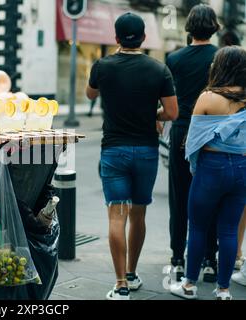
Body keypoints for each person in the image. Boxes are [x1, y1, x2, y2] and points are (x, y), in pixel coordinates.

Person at [86, 13, 178, 300]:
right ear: (144, 38)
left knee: (117, 215)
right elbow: (172, 113)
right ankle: (132, 274)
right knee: (139, 213)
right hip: (147, 152)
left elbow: (90, 95)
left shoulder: (103, 66)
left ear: (115, 38)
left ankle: (120, 285)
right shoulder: (159, 69)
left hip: (114, 149)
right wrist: (154, 115)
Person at [170, 46, 246, 300]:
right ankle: (223, 290)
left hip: (211, 167)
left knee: (199, 227)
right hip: (242, 169)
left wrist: (195, 166)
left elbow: (193, 140)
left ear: (219, 67)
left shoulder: (208, 97)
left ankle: (189, 285)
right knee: (228, 229)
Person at [166, 4, 220, 283]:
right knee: (211, 197)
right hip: (213, 133)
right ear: (214, 26)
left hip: (182, 131)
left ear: (189, 27)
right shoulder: (221, 58)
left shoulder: (174, 59)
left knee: (179, 196)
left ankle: (177, 257)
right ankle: (210, 259)